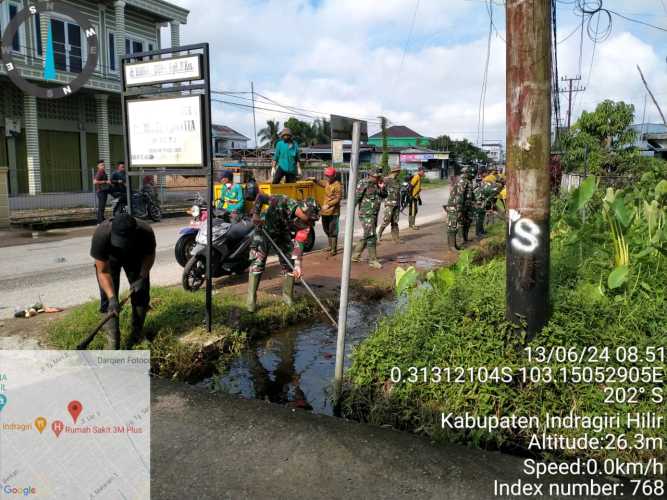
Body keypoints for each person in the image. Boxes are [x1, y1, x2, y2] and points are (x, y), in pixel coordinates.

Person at [90, 213, 156, 349]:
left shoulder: (145, 231)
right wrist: (113, 298)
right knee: (108, 301)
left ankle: (136, 335)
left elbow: (149, 256)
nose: (122, 245)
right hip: (111, 261)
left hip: (135, 258)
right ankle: (113, 341)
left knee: (141, 294)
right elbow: (102, 271)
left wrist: (142, 276)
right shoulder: (101, 234)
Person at [247, 194, 320, 312]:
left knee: (290, 263)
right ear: (303, 211)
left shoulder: (306, 224)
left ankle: (287, 298)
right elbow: (260, 197)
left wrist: (297, 265)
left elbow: (299, 243)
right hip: (264, 230)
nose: (312, 222)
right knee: (258, 262)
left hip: (282, 234)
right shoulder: (283, 201)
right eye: (311, 218)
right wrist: (255, 214)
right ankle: (251, 301)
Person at [352, 168, 387, 269]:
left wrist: (382, 188)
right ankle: (373, 260)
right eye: (376, 177)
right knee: (371, 236)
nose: (378, 178)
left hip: (374, 214)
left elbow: (385, 195)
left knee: (367, 234)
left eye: (378, 177)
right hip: (366, 214)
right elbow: (356, 197)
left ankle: (355, 255)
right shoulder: (363, 183)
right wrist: (350, 213)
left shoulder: (378, 184)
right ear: (370, 176)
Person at [445, 166, 476, 249]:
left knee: (458, 224)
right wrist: (459, 209)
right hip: (455, 206)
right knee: (453, 225)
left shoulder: (468, 181)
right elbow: (459, 196)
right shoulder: (463, 181)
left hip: (460, 206)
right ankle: (451, 246)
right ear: (467, 173)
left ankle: (455, 245)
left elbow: (469, 195)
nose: (474, 175)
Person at [315, 166, 342, 255]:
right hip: (325, 211)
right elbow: (322, 183)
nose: (327, 177)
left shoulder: (337, 185)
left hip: (334, 212)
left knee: (333, 230)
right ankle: (330, 246)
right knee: (326, 229)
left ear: (334, 176)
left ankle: (333, 250)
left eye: (329, 176)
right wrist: (314, 180)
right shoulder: (327, 183)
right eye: (326, 176)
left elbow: (338, 199)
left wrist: (328, 204)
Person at [377, 165, 402, 244]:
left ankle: (396, 239)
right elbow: (381, 190)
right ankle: (378, 236)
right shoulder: (386, 180)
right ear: (395, 171)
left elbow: (398, 193)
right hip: (389, 204)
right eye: (398, 171)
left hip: (396, 204)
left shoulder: (397, 181)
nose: (398, 173)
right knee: (386, 221)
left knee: (395, 222)